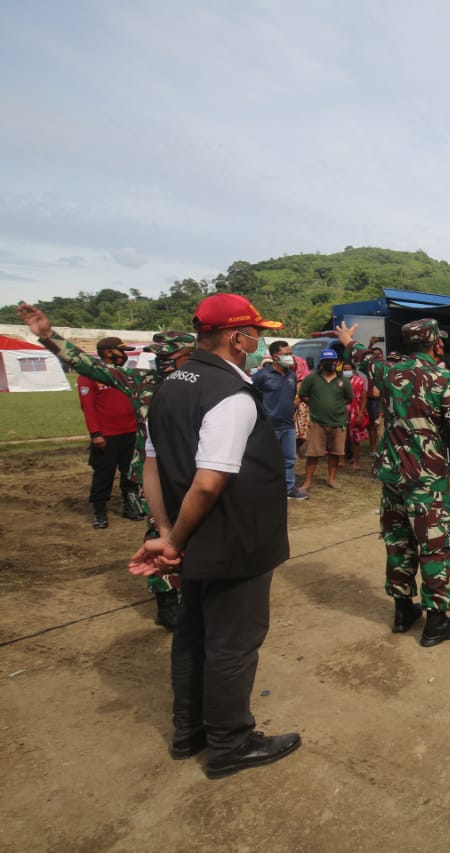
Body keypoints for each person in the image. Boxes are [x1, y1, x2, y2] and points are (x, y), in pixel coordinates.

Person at [128, 292, 300, 779]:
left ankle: (190, 730)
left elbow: (154, 466)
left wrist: (165, 531)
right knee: (233, 641)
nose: (259, 341)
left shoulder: (170, 386)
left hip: (195, 536)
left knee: (194, 634)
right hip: (232, 541)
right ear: (234, 337)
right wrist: (174, 541)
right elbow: (209, 481)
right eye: (255, 332)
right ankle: (230, 741)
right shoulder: (230, 395)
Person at [18, 302, 194, 628]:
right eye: (157, 353)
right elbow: (86, 364)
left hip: (196, 477)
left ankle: (200, 597)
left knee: (200, 537)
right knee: (160, 535)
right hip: (155, 478)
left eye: (167, 354)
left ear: (187, 354)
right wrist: (47, 335)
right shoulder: (142, 381)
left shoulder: (204, 385)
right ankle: (167, 601)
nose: (159, 359)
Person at [341, 318, 450, 645]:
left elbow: (364, 358)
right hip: (426, 477)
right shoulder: (444, 380)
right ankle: (436, 623)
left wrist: (349, 342)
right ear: (435, 344)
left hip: (392, 473)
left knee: (398, 540)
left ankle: (403, 612)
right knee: (435, 545)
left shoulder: (387, 372)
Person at [72, 336, 144, 528]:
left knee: (130, 472)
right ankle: (100, 512)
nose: (124, 355)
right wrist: (95, 433)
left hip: (130, 431)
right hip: (107, 435)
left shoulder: (124, 374)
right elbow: (88, 407)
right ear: (108, 352)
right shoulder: (88, 376)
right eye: (121, 351)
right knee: (104, 474)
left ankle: (131, 505)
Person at [253, 341, 307, 500]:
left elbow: (290, 398)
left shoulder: (291, 375)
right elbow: (254, 399)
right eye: (287, 354)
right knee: (268, 460)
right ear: (276, 356)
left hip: (288, 425)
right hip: (269, 426)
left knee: (289, 459)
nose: (290, 357)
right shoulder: (262, 376)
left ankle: (289, 488)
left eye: (290, 354)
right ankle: (267, 489)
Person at [298, 348, 353, 491]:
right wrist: (316, 404)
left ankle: (331, 479)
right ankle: (308, 482)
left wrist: (334, 407)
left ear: (337, 362)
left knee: (335, 453)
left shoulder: (343, 380)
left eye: (332, 361)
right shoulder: (312, 378)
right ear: (321, 363)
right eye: (327, 361)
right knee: (313, 454)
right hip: (317, 422)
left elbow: (348, 399)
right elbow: (303, 394)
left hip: (338, 422)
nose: (330, 363)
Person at [342, 362, 369, 467]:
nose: (346, 371)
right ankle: (343, 460)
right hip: (342, 412)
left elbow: (364, 399)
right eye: (344, 369)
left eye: (348, 369)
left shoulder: (360, 381)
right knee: (342, 437)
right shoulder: (339, 382)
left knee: (355, 439)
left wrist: (361, 414)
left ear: (353, 370)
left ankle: (356, 461)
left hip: (355, 412)